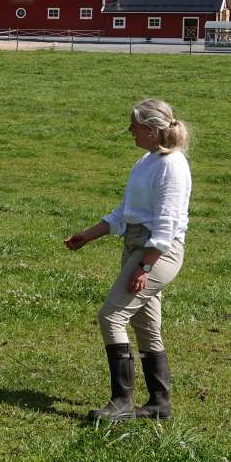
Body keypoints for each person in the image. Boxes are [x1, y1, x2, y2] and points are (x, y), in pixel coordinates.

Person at [65, 99, 192, 422]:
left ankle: (122, 402)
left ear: (151, 129)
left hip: (157, 253)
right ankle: (159, 405)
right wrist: (87, 235)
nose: (129, 131)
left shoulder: (171, 166)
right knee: (146, 326)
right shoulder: (147, 161)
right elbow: (125, 213)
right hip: (136, 246)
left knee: (111, 316)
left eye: (133, 125)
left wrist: (145, 265)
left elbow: (167, 225)